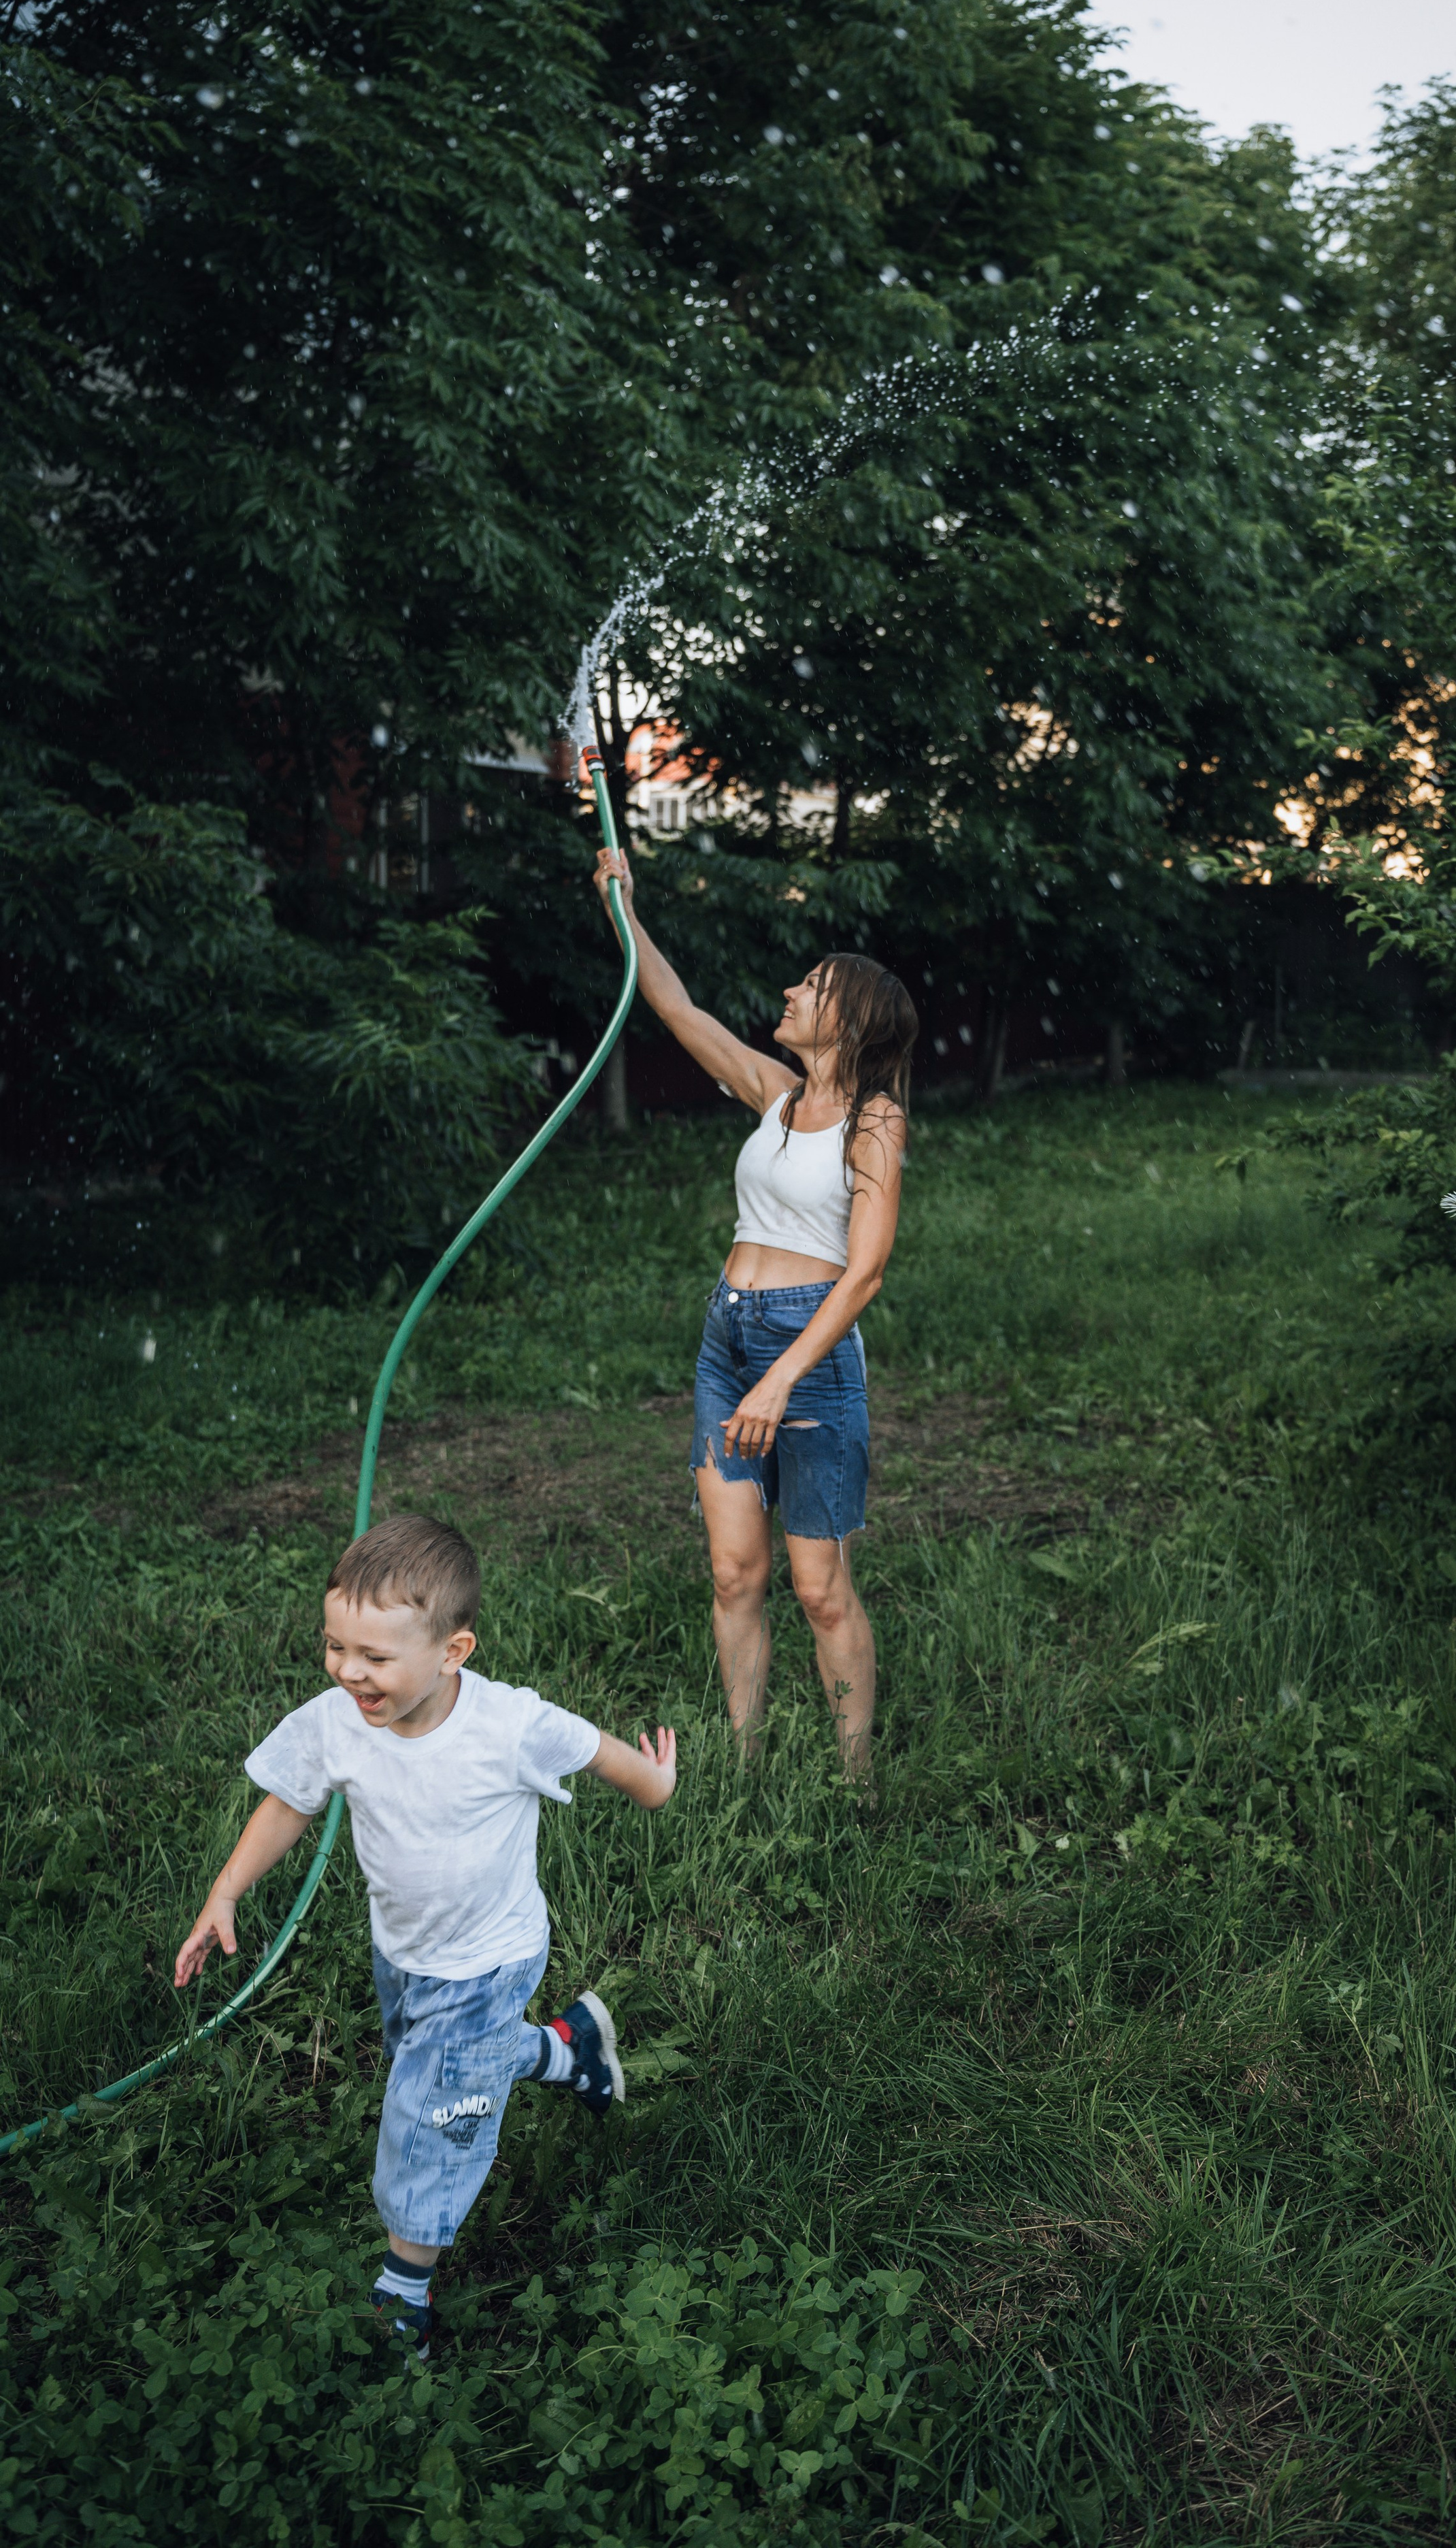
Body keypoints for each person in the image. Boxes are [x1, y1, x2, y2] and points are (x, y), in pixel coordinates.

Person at [173, 1512, 676, 2362]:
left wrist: (654, 1784)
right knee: (441, 2062)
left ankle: (404, 2288)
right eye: (335, 1646)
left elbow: (596, 1752)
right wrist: (226, 1892)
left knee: (432, 2118)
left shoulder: (507, 1725)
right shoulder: (337, 1720)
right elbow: (290, 1801)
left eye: (374, 1658)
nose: (348, 1671)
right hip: (403, 1952)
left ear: (454, 1651)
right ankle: (569, 2051)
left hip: (488, 1959)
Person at [593, 845, 916, 1780]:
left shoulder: (874, 1121)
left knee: (819, 1588)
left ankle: (855, 1781)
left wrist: (780, 1381)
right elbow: (675, 1008)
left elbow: (865, 1273)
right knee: (735, 1573)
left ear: (850, 1019)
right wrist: (623, 907)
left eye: (811, 987)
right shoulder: (775, 1096)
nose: (789, 992)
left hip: (807, 1353)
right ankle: (745, 1767)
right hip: (728, 1339)